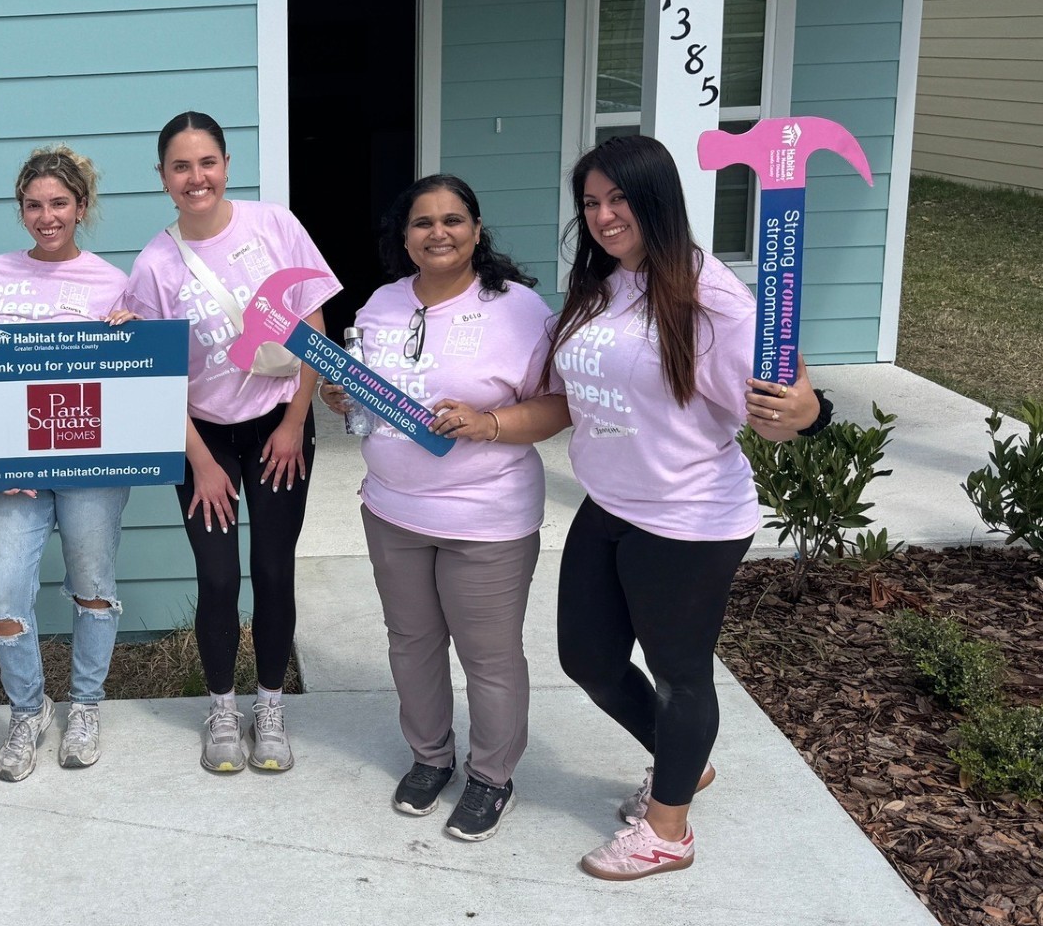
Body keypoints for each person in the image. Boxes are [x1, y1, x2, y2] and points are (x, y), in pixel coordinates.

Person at [321, 175, 569, 841]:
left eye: (453, 219)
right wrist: (340, 396)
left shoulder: (518, 310)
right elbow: (364, 393)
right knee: (412, 644)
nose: (439, 233)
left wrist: (489, 423)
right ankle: (431, 757)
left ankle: (493, 777)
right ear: (405, 238)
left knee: (488, 657)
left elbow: (557, 405)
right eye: (423, 222)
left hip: (485, 518)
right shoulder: (378, 306)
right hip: (393, 511)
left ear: (477, 230)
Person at [548, 134, 760, 881]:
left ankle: (668, 831)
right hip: (610, 501)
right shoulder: (600, 285)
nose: (605, 216)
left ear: (658, 200)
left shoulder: (714, 299)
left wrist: (807, 408)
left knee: (678, 673)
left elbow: (773, 405)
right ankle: (683, 763)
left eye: (621, 199)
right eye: (592, 203)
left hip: (688, 515)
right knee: (589, 658)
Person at [125, 112, 339, 774]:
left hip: (280, 421)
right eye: (182, 167)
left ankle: (270, 706)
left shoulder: (273, 225)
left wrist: (295, 420)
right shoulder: (155, 264)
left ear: (226, 164)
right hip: (200, 434)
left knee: (274, 570)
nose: (197, 178)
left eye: (208, 162)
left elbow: (312, 319)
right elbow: (153, 375)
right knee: (217, 577)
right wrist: (200, 461)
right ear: (163, 178)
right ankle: (222, 706)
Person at [0, 146, 138, 781]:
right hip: (15, 469)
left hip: (92, 462)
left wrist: (130, 330)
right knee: (2, 590)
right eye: (34, 205)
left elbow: (129, 378)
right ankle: (28, 708)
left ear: (82, 207)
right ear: (21, 210)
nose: (47, 216)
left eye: (59, 204)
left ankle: (86, 705)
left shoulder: (109, 281)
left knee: (93, 587)